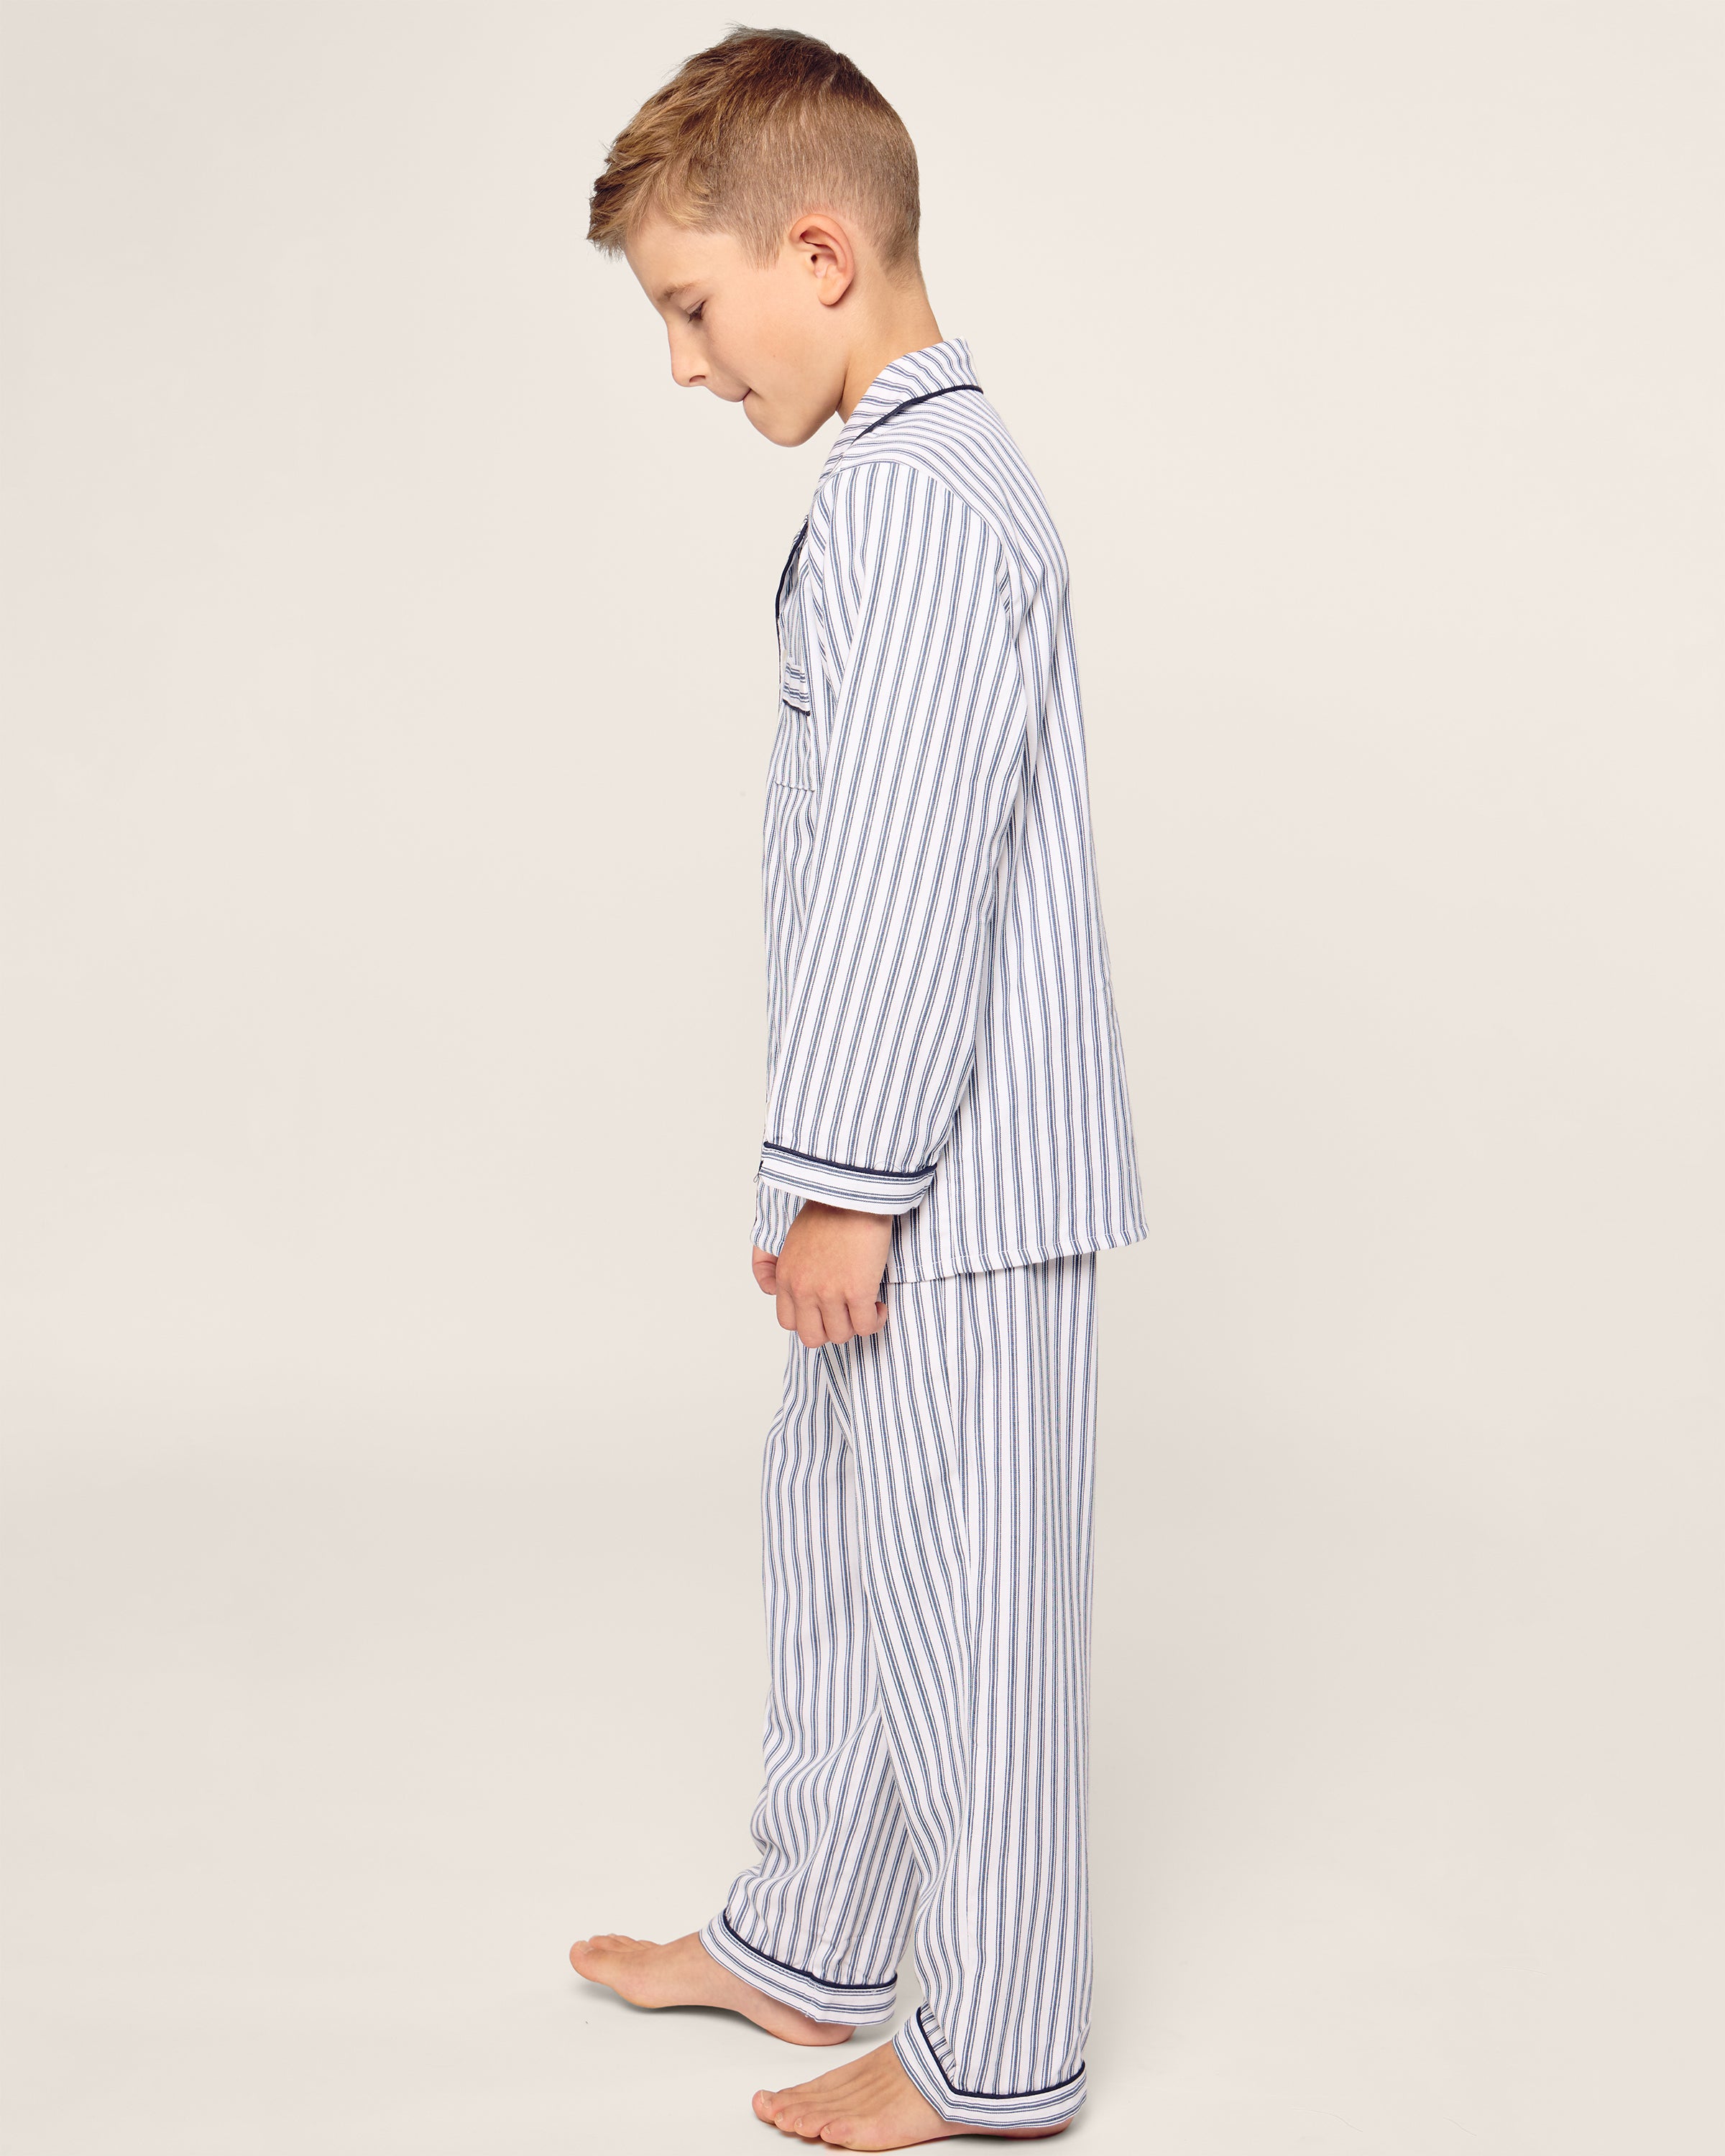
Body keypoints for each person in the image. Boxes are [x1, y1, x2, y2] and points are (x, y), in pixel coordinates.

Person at [570, 27, 1145, 2149]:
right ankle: (806, 1927)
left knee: (969, 1616)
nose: (688, 366)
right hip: (906, 1183)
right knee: (834, 1550)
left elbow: (912, 872)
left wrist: (848, 1182)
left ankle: (993, 2051)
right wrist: (818, 1168)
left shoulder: (916, 505)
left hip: (958, 1200)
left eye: (692, 309)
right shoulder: (913, 485)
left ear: (818, 253)